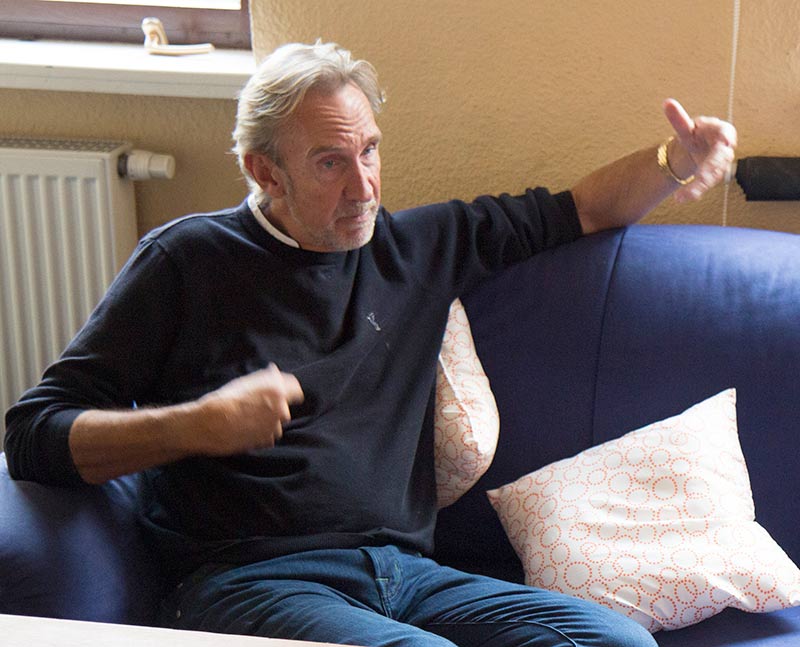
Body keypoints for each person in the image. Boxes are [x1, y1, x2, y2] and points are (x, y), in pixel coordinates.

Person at [5, 41, 736, 647]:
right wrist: (196, 426)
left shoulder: (420, 246)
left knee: (615, 641)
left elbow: (584, 210)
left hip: (405, 574)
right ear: (264, 170)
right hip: (248, 581)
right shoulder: (185, 262)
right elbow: (33, 432)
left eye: (371, 151)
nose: (364, 187)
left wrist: (675, 161)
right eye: (330, 161)